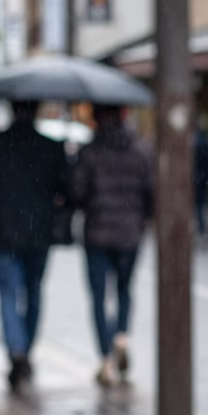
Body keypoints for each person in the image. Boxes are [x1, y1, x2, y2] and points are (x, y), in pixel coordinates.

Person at [0, 100, 68, 392]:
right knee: (34, 291)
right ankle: (25, 348)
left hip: (5, 231)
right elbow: (66, 187)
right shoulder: (50, 147)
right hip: (39, 232)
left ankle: (17, 349)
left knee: (9, 293)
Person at [70, 104, 153, 386]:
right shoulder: (140, 151)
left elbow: (77, 193)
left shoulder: (89, 152)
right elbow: (151, 193)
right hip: (130, 234)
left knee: (97, 296)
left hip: (97, 234)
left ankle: (105, 360)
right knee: (124, 289)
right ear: (123, 115)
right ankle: (121, 336)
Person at [193, 118, 208, 245]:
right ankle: (204, 231)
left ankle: (200, 231)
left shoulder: (192, 142)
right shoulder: (207, 142)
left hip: (194, 178)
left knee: (197, 206)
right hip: (205, 179)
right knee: (202, 205)